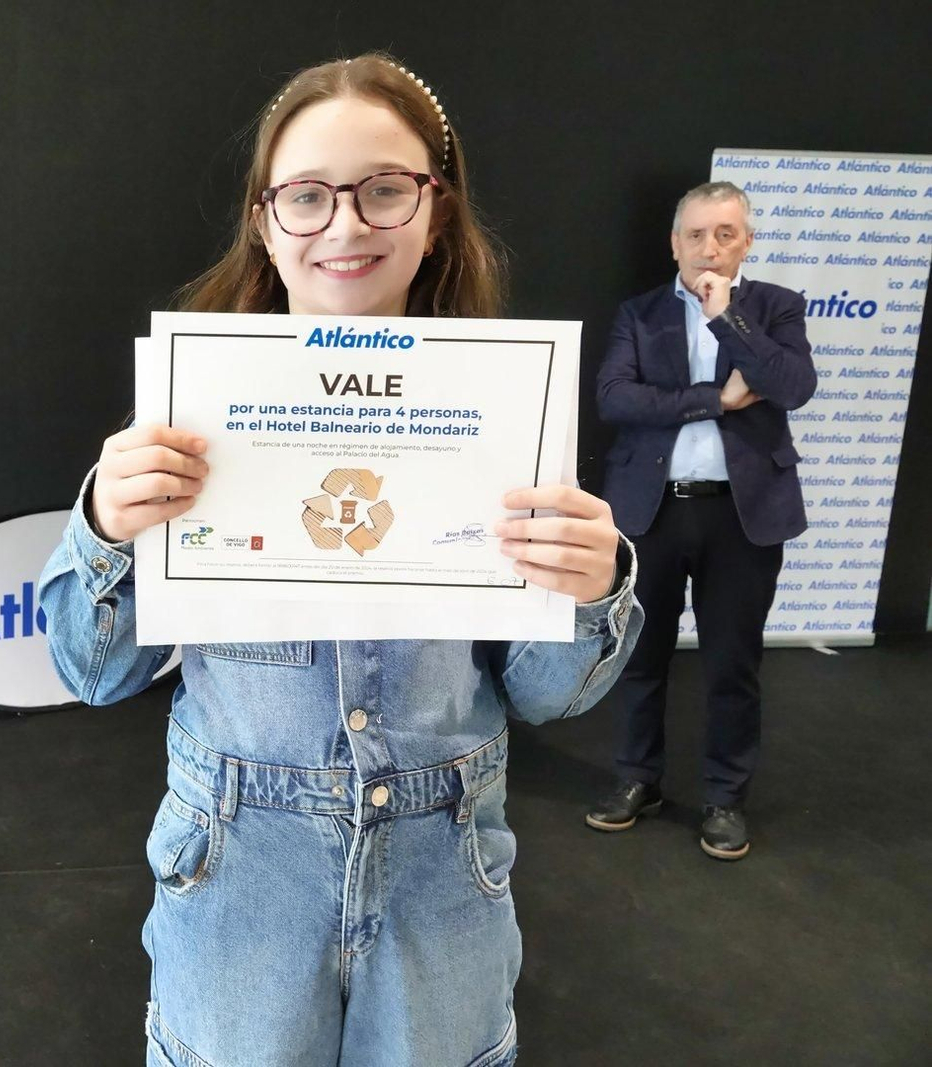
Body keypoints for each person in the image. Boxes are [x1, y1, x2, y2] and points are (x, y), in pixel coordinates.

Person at [40, 53, 643, 1066]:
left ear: (436, 211)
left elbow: (546, 697)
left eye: (385, 189)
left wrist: (591, 588)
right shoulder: (188, 415)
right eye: (308, 196)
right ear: (266, 221)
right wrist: (102, 524)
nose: (347, 224)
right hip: (239, 881)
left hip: (441, 881)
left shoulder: (503, 415)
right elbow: (93, 672)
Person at [588, 181, 814, 860]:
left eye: (724, 233)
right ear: (674, 243)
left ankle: (724, 796)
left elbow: (792, 386)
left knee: (731, 665)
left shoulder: (775, 308)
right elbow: (614, 398)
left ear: (746, 240)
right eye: (695, 234)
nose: (709, 247)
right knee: (639, 658)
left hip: (741, 518)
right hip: (651, 512)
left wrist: (727, 321)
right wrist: (715, 399)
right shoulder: (640, 313)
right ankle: (636, 779)